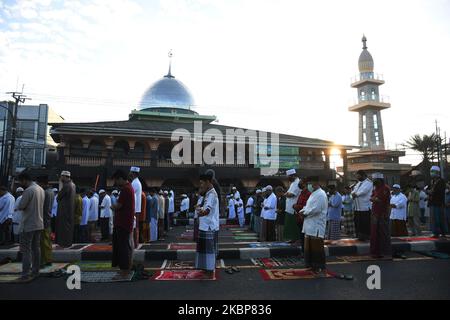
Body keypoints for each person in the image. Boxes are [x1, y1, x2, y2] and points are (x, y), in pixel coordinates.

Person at [16, 172, 45, 282]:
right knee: (36, 248)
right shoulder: (40, 189)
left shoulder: (28, 190)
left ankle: (25, 274)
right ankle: (35, 271)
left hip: (28, 224)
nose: (20, 183)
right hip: (38, 223)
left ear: (24, 180)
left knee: (26, 250)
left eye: (20, 181)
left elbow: (21, 206)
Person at [299, 177, 328, 275]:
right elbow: (308, 207)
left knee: (317, 247)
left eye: (309, 184)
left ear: (315, 183)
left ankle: (319, 267)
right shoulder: (313, 194)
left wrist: (305, 213)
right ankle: (311, 265)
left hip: (316, 224)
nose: (308, 186)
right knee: (310, 247)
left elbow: (317, 209)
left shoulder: (321, 194)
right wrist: (302, 211)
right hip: (309, 224)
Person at [111, 169, 135, 280]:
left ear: (121, 178)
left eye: (116, 180)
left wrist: (113, 206)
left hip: (123, 223)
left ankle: (124, 272)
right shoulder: (128, 187)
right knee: (124, 247)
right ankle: (125, 269)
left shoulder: (126, 189)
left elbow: (119, 205)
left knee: (123, 248)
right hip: (125, 222)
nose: (116, 182)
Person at [195, 172, 220, 278]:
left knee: (209, 250)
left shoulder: (212, 194)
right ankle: (206, 269)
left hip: (209, 226)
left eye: (202, 183)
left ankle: (209, 272)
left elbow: (207, 211)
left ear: (208, 182)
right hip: (204, 225)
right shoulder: (207, 193)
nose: (201, 185)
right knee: (203, 249)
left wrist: (199, 211)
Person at [370, 173, 392, 258]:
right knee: (374, 233)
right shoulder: (375, 188)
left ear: (379, 180)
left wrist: (374, 199)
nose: (374, 181)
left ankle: (384, 252)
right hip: (375, 213)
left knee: (383, 233)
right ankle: (375, 252)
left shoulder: (385, 188)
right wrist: (374, 199)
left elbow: (379, 200)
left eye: (375, 180)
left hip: (382, 214)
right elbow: (372, 198)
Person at [36, 176, 54, 266]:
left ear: (42, 183)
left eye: (38, 183)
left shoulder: (45, 192)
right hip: (47, 219)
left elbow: (44, 208)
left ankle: (45, 260)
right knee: (47, 241)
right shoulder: (51, 191)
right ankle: (48, 259)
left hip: (44, 219)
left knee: (43, 242)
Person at [55, 171, 76, 248]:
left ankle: (63, 244)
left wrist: (60, 185)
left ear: (66, 176)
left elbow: (58, 197)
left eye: (62, 176)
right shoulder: (73, 185)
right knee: (68, 228)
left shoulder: (67, 185)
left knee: (63, 229)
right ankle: (67, 243)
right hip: (69, 210)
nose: (61, 178)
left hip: (64, 211)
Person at [351, 170, 373, 241]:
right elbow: (353, 191)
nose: (357, 177)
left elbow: (364, 191)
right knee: (358, 222)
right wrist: (353, 194)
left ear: (363, 175)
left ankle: (366, 236)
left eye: (358, 175)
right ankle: (359, 236)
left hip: (365, 207)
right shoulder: (358, 183)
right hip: (357, 207)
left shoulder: (369, 183)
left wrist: (356, 194)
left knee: (365, 222)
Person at [427, 166, 447, 237]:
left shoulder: (441, 181)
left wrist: (431, 192)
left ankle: (441, 232)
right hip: (432, 203)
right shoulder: (432, 181)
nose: (431, 173)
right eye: (431, 171)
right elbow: (429, 190)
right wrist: (429, 192)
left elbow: (439, 192)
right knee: (434, 219)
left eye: (432, 171)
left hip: (438, 203)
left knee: (439, 218)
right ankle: (435, 232)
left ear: (437, 172)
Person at [293, 179, 311, 253]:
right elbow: (298, 203)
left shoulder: (308, 194)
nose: (299, 184)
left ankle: (305, 252)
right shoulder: (301, 193)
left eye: (300, 183)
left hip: (304, 219)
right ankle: (303, 252)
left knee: (304, 237)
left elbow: (305, 206)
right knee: (301, 236)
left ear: (305, 184)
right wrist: (295, 206)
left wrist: (296, 206)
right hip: (299, 218)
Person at [283, 169, 301, 242]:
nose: (288, 178)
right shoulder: (293, 183)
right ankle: (292, 238)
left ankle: (296, 239)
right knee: (290, 225)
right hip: (289, 207)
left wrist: (287, 194)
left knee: (293, 224)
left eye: (289, 177)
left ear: (293, 176)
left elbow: (291, 194)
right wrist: (287, 194)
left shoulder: (297, 183)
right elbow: (287, 193)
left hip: (293, 208)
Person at [129, 166, 142, 247]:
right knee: (135, 226)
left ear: (133, 173)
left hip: (134, 208)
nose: (129, 173)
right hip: (136, 207)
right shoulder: (137, 182)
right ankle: (135, 243)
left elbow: (131, 196)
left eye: (130, 172)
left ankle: (135, 243)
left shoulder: (134, 183)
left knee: (133, 227)